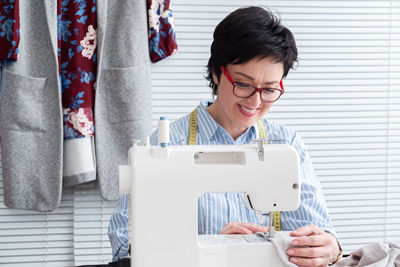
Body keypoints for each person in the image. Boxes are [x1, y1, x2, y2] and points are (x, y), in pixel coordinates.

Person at [108, 6, 342, 266]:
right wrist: (207, 249)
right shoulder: (166, 145)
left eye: (270, 89)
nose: (255, 100)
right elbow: (125, 242)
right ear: (218, 73)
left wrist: (330, 247)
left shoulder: (287, 144)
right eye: (243, 84)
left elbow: (316, 230)